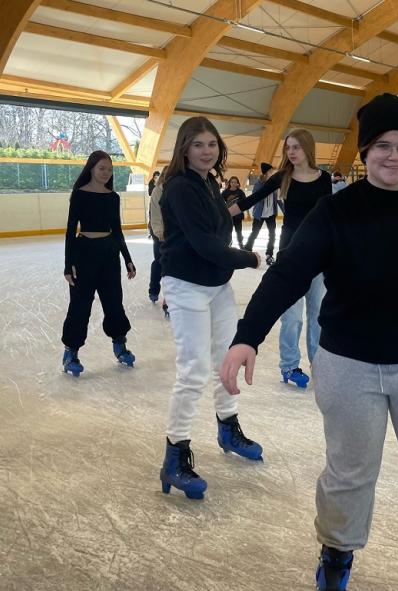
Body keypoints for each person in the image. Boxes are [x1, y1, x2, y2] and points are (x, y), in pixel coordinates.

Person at [220, 92, 398, 591]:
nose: (395, 156)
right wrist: (247, 337)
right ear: (364, 152)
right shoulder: (337, 213)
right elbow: (288, 274)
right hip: (348, 365)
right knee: (350, 471)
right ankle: (336, 555)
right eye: (382, 145)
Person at [158, 116, 262, 500]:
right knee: (194, 369)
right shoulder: (181, 188)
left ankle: (227, 426)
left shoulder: (207, 184)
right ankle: (175, 455)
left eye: (212, 144)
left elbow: (224, 218)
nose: (206, 151)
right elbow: (204, 243)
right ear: (184, 148)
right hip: (187, 286)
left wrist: (264, 189)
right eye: (199, 144)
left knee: (226, 359)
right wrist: (250, 258)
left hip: (217, 285)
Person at [229, 128, 332, 389]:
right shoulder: (283, 177)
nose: (291, 152)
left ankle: (319, 366)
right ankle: (290, 366)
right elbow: (252, 199)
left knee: (317, 313)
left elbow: (332, 216)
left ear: (307, 148)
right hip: (291, 253)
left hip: (319, 253)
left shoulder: (325, 179)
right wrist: (218, 216)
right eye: (288, 148)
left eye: (296, 147)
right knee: (293, 316)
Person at [61, 150, 137, 377]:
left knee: (114, 302)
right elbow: (69, 230)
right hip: (84, 254)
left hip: (109, 254)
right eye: (102, 168)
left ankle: (120, 345)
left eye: (110, 169)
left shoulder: (113, 197)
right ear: (91, 168)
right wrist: (68, 263)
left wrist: (128, 258)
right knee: (80, 306)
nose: (106, 173)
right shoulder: (79, 195)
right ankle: (70, 352)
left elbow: (118, 231)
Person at [244, 163, 279, 263]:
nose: (272, 173)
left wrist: (286, 211)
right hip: (260, 214)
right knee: (254, 233)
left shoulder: (275, 183)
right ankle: (247, 250)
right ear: (267, 172)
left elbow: (279, 200)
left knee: (272, 235)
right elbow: (254, 196)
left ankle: (269, 254)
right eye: (271, 171)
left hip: (271, 214)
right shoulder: (259, 183)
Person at [148, 166, 168, 308]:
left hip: (175, 233)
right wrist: (159, 232)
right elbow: (155, 214)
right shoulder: (158, 190)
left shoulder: (179, 190)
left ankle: (169, 299)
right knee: (159, 262)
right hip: (159, 232)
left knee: (173, 266)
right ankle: (154, 289)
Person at [222, 176, 246, 248]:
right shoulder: (225, 192)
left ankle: (241, 245)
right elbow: (220, 203)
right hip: (229, 216)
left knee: (239, 231)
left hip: (238, 215)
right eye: (232, 182)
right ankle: (228, 245)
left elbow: (245, 202)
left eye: (235, 182)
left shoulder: (240, 192)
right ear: (229, 183)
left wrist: (246, 212)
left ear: (238, 183)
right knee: (229, 232)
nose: (233, 183)